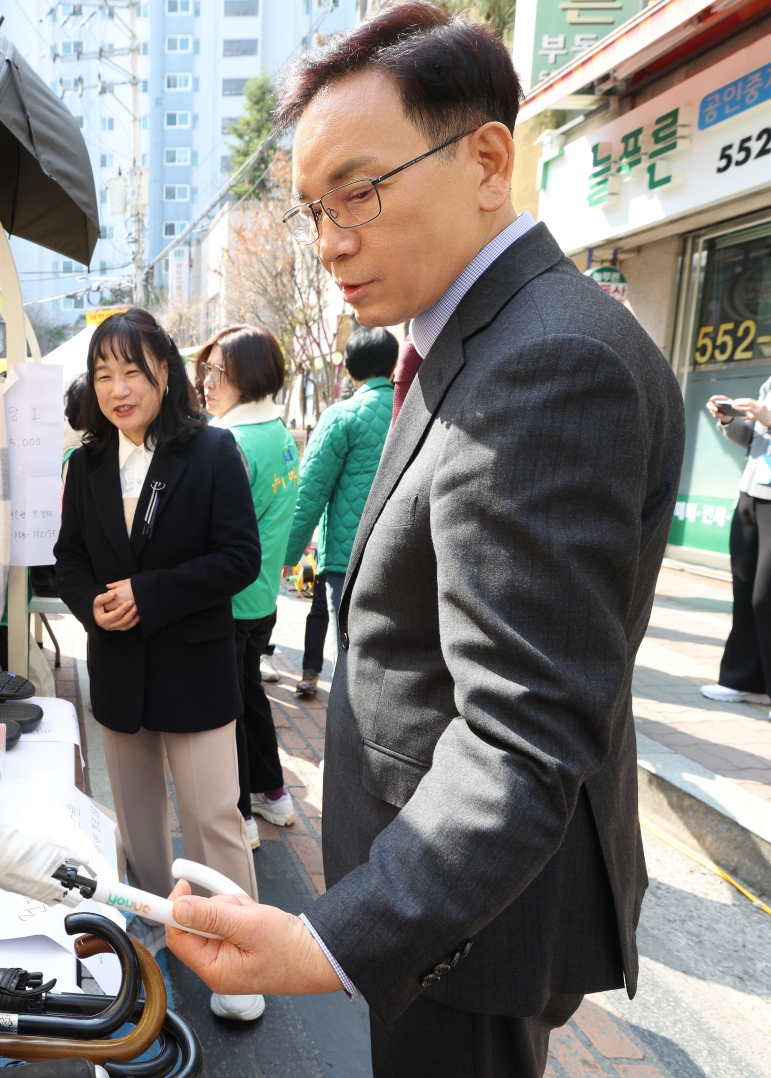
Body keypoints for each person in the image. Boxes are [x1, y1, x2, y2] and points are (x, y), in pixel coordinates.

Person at [161, 6, 684, 1075]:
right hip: (454, 898)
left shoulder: (543, 362)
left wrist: (325, 939)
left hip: (475, 917)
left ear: (487, 160)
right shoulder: (486, 334)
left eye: (359, 189)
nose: (330, 239)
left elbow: (521, 736)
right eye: (313, 208)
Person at [53, 307, 266, 1022]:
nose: (118, 388)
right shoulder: (85, 463)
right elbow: (70, 559)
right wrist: (91, 605)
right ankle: (158, 922)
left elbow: (240, 557)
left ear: (165, 373)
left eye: (132, 371)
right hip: (117, 669)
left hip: (194, 667)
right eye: (103, 373)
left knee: (213, 817)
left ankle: (242, 955)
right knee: (139, 820)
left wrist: (149, 594)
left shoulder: (210, 451)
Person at [197, 326, 301, 846]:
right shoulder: (280, 431)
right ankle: (273, 793)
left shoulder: (232, 441)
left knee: (227, 709)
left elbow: (213, 532)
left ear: (250, 374)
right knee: (250, 694)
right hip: (262, 597)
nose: (206, 382)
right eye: (207, 370)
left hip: (231, 599)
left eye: (219, 372)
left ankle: (240, 817)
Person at [283, 327, 396, 696]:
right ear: (393, 366)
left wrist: (288, 554)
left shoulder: (341, 416)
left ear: (348, 370)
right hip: (402, 552)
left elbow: (310, 492)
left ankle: (341, 752)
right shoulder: (415, 408)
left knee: (346, 656)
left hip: (347, 557)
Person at [701, 381, 771, 709]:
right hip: (752, 491)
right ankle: (744, 680)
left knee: (765, 596)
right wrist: (730, 421)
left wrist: (767, 417)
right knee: (744, 591)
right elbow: (753, 440)